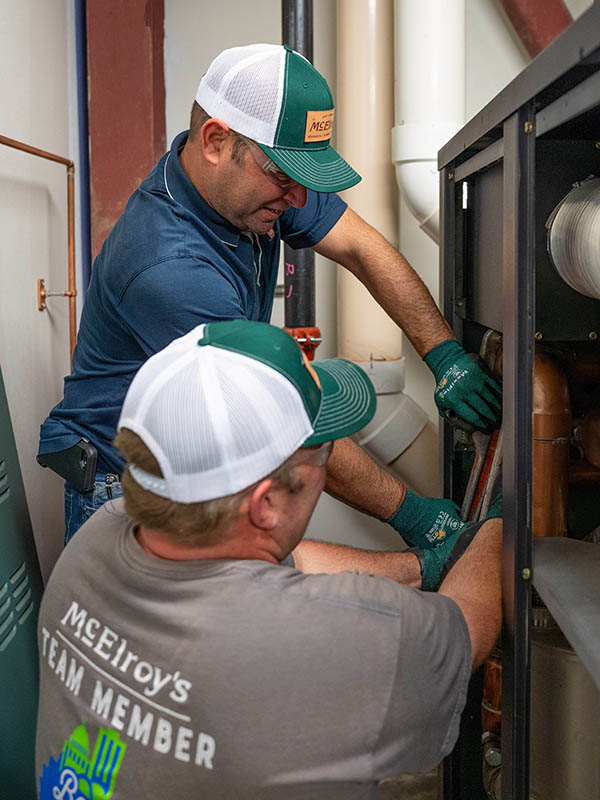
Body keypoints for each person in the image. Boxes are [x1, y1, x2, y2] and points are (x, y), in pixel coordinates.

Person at [37, 43, 501, 544]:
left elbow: (365, 249)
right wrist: (413, 515)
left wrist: (445, 353)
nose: (300, 197)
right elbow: (281, 419)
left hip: (200, 465)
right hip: (126, 492)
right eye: (285, 175)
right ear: (215, 141)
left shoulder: (253, 187)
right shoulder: (170, 268)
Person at [36, 321, 502, 800]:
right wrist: (501, 519)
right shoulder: (326, 642)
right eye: (322, 454)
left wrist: (421, 565)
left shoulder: (95, 540)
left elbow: (294, 560)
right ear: (265, 505)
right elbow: (469, 625)